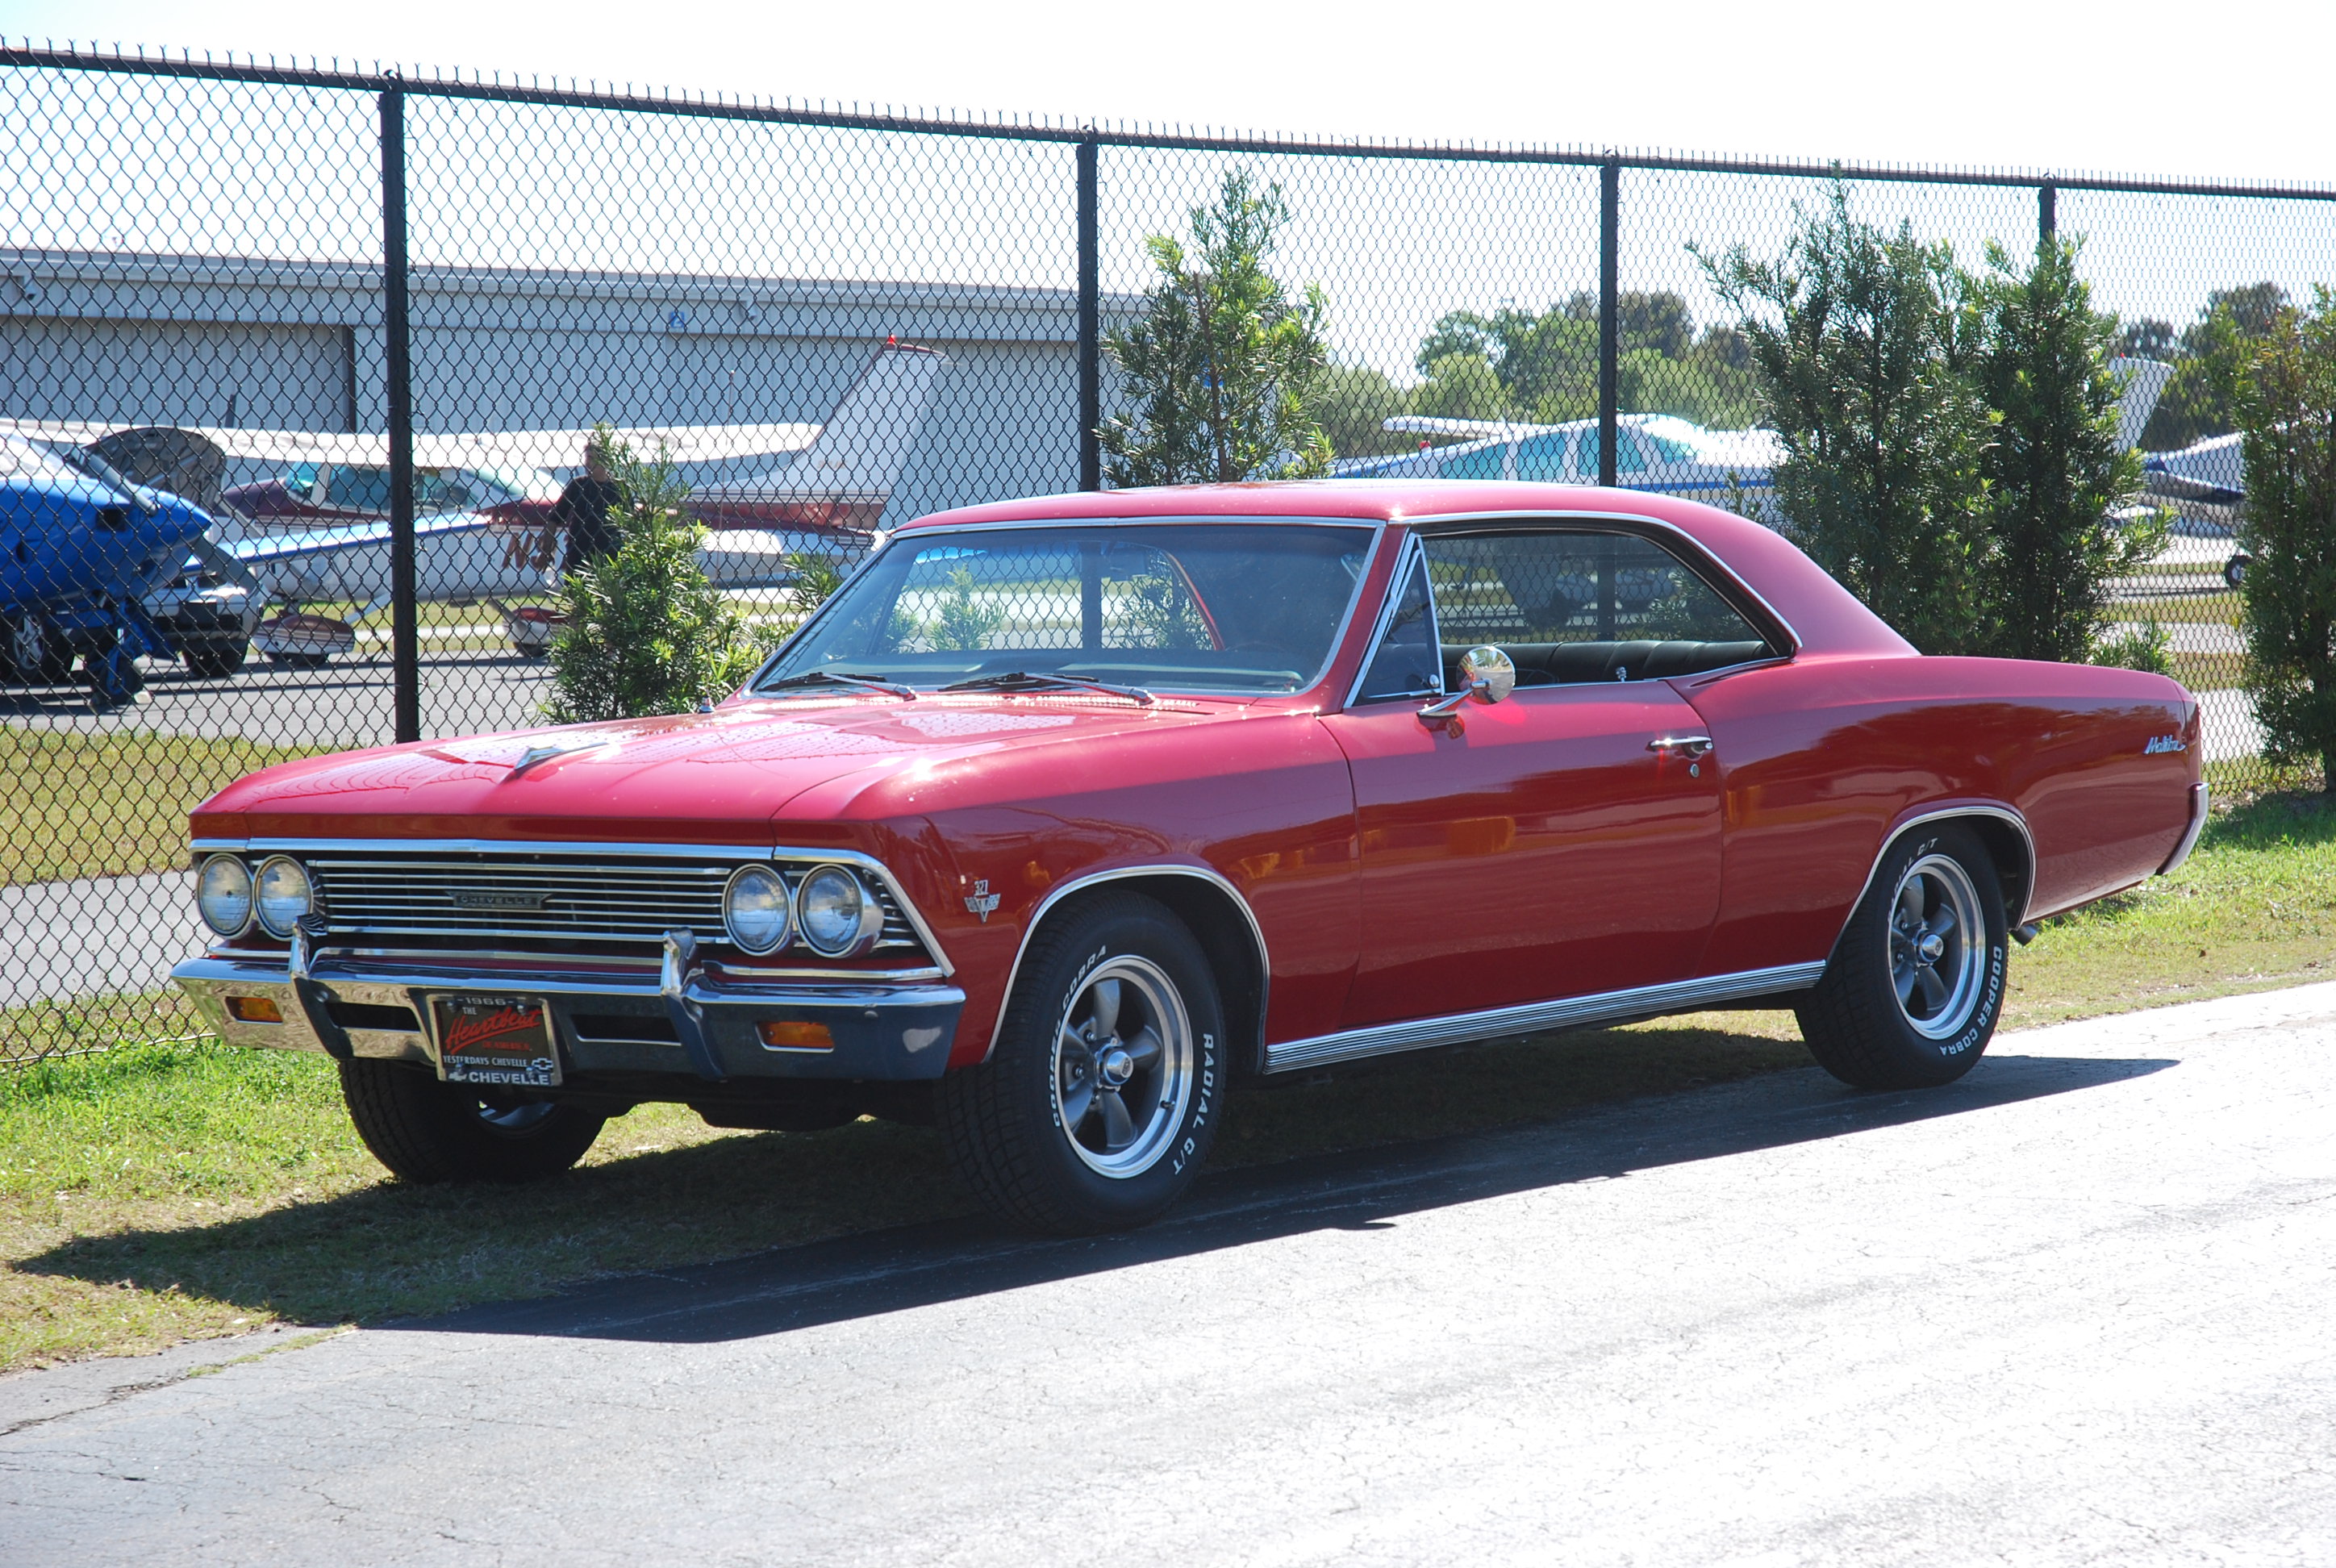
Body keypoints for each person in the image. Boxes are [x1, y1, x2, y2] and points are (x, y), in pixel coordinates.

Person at [556, 439, 624, 576]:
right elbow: (556, 516)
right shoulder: (578, 485)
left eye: (591, 458)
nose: (586, 463)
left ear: (605, 461)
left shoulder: (619, 488)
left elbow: (629, 521)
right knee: (575, 593)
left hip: (609, 552)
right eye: (586, 458)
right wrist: (547, 546)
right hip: (579, 552)